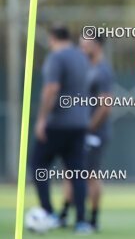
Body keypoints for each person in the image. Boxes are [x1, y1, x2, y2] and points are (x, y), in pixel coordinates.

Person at [32, 24, 93, 234]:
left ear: (52, 39)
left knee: (38, 165)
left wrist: (41, 119)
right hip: (80, 123)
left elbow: (51, 88)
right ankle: (82, 221)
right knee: (77, 172)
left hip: (58, 123)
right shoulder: (82, 57)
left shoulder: (56, 58)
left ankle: (47, 213)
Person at [59, 36, 115, 231]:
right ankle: (64, 214)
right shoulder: (84, 68)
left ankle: (93, 220)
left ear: (97, 46)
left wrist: (89, 128)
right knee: (69, 172)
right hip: (77, 131)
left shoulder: (102, 70)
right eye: (80, 45)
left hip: (94, 133)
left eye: (86, 46)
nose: (82, 49)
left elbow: (105, 105)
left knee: (90, 174)